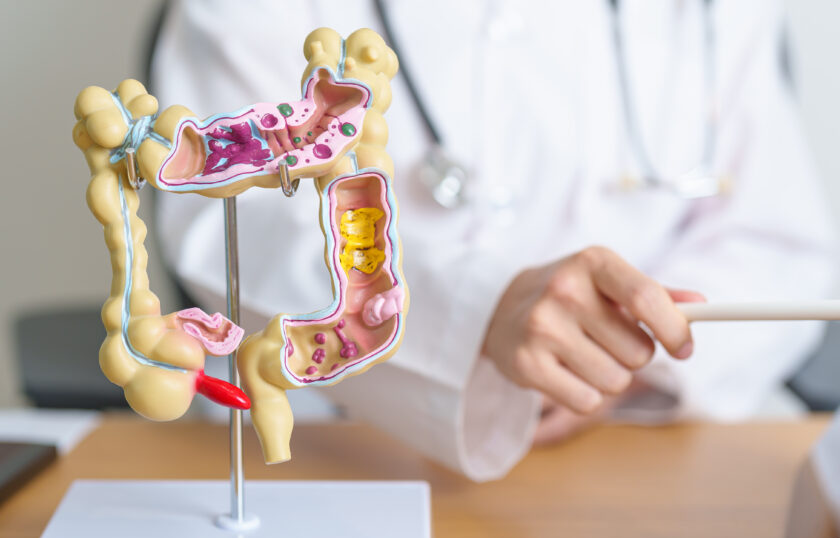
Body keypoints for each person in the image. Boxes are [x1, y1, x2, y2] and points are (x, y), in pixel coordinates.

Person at [151, 0, 836, 481]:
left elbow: (779, 244)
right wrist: (480, 312)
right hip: (335, 444)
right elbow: (227, 214)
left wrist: (617, 359)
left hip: (641, 449)